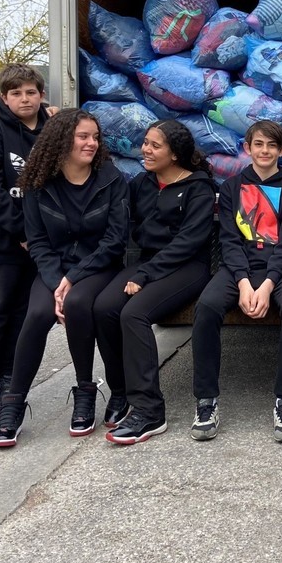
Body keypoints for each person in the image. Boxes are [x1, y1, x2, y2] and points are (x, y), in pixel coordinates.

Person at [0, 109, 129, 448]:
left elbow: (115, 240)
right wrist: (56, 281)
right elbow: (36, 240)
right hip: (54, 268)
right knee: (36, 313)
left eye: (95, 137)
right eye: (83, 137)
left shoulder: (112, 179)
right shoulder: (38, 183)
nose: (92, 143)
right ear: (62, 140)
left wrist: (73, 278)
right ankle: (13, 404)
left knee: (80, 304)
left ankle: (85, 391)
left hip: (97, 266)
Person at [95, 120, 216, 445]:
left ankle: (149, 411)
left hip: (187, 267)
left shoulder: (198, 187)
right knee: (104, 307)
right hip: (148, 262)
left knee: (133, 314)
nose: (145, 150)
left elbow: (189, 242)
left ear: (174, 154)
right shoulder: (142, 183)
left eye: (154, 145)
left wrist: (144, 275)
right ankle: (121, 392)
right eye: (145, 143)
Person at [191, 120, 282, 443]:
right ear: (247, 148)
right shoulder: (231, 188)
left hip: (280, 269)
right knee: (207, 306)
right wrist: (244, 282)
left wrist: (268, 284)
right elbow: (229, 240)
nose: (265, 151)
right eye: (258, 144)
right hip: (238, 268)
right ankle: (206, 399)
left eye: (272, 145)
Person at [0, 64, 51, 418]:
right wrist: (21, 232)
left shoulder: (52, 130)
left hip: (39, 244)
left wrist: (40, 237)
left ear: (41, 94)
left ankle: (10, 375)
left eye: (30, 92)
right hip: (1, 243)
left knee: (25, 315)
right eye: (16, 93)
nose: (24, 99)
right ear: (5, 98)